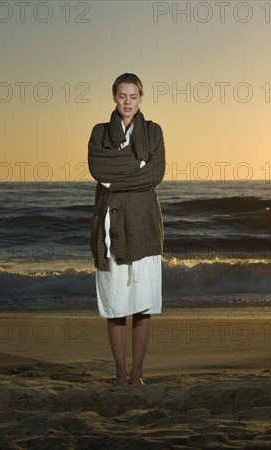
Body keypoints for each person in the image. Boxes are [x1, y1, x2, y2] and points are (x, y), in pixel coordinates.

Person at [87, 73, 166, 386]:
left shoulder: (153, 131)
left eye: (133, 96)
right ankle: (121, 373)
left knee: (142, 305)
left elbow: (156, 173)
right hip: (111, 228)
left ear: (141, 98)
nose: (128, 102)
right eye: (122, 96)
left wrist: (119, 173)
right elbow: (98, 169)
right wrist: (137, 167)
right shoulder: (100, 132)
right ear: (114, 97)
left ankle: (138, 373)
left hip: (145, 227)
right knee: (116, 305)